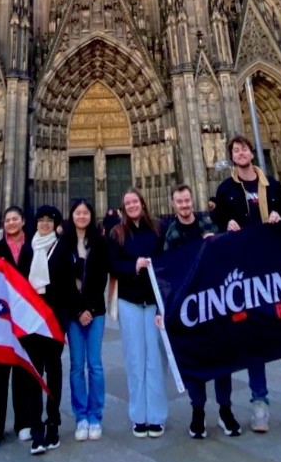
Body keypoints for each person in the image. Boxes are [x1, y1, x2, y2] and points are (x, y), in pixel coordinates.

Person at [212, 135, 281, 434]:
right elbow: (216, 223)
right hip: (247, 276)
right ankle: (259, 404)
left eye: (244, 148)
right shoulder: (225, 190)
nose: (241, 153)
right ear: (232, 156)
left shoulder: (273, 186)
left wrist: (280, 216)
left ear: (252, 152)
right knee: (254, 341)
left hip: (277, 275)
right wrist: (226, 226)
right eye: (235, 150)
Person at [162, 183, 241, 438]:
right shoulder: (171, 233)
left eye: (187, 201)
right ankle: (198, 411)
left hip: (215, 302)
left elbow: (227, 254)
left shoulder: (209, 224)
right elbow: (167, 272)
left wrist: (224, 236)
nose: (184, 205)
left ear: (191, 201)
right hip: (189, 308)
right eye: (179, 202)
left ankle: (225, 410)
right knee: (195, 357)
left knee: (223, 357)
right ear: (173, 204)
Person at [108, 188, 168, 437]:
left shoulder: (159, 228)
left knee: (155, 360)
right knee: (135, 359)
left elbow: (169, 259)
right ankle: (138, 416)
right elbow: (111, 264)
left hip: (154, 303)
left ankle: (156, 416)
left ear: (142, 203)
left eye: (135, 201)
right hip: (129, 301)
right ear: (123, 208)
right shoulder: (117, 233)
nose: (132, 205)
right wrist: (134, 265)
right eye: (127, 203)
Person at [0, 206, 37, 451]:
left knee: (24, 369)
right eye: (7, 220)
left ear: (23, 221)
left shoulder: (35, 247)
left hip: (26, 318)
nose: (11, 223)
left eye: (16, 219)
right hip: (3, 319)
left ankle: (24, 422)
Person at [25, 204, 73, 454]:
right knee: (35, 374)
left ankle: (53, 422)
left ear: (56, 223)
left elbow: (68, 286)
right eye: (41, 219)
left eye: (49, 219)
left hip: (54, 322)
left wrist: (66, 317)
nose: (44, 223)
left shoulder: (62, 248)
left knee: (53, 372)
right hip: (32, 323)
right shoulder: (27, 249)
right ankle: (36, 429)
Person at [60, 199, 109, 441]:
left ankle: (95, 416)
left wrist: (88, 307)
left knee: (95, 365)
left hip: (95, 310)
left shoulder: (100, 242)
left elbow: (101, 277)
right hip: (73, 312)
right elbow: (62, 280)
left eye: (85, 212)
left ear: (91, 215)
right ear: (72, 216)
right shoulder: (63, 243)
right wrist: (79, 309)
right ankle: (81, 416)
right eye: (78, 212)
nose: (82, 216)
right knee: (77, 366)